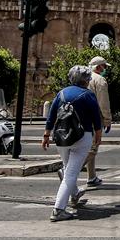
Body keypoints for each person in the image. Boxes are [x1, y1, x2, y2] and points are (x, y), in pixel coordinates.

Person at [43, 66, 102, 222]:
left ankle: (75, 194)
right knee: (70, 174)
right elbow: (97, 117)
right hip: (82, 137)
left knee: (69, 168)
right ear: (86, 80)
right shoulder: (88, 95)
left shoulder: (61, 93)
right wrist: (98, 135)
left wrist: (46, 135)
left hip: (61, 137)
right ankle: (58, 210)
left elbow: (51, 116)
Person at [84, 56, 112, 187]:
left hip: (81, 116)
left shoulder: (83, 78)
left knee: (88, 147)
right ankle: (68, 170)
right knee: (93, 148)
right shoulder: (100, 80)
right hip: (95, 118)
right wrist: (107, 120)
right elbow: (103, 102)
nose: (105, 69)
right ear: (98, 67)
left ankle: (92, 176)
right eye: (104, 66)